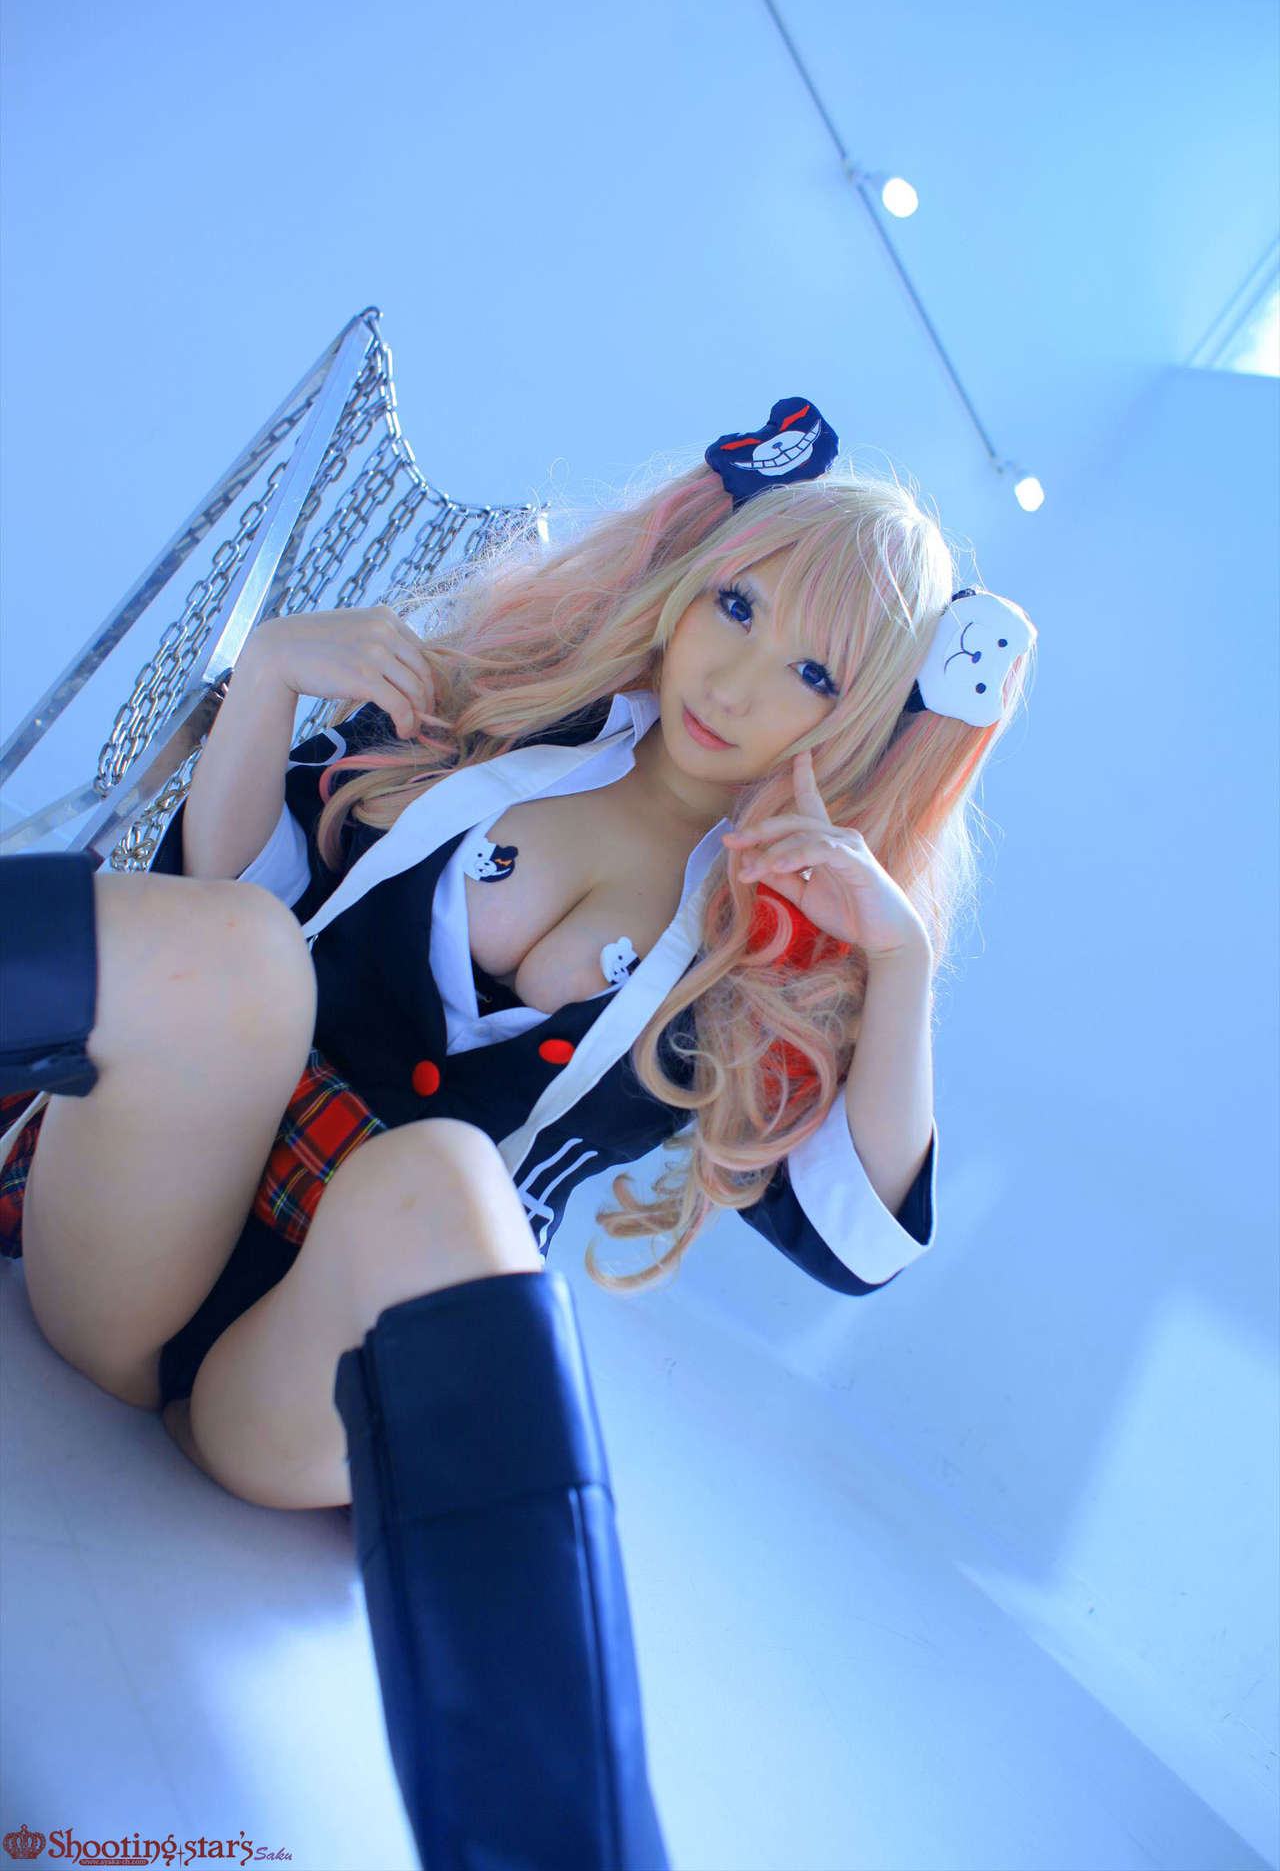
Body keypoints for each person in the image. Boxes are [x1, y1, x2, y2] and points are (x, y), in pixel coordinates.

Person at [0, 396, 1036, 1868]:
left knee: (444, 1173)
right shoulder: (501, 711)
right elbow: (224, 895)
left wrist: (900, 961)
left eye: (812, 670)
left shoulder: (763, 953)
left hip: (320, 1382)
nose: (737, 679)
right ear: (689, 580)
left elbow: (857, 1241)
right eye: (738, 605)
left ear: (860, 719)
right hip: (144, 1231)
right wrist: (276, 668)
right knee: (247, 953)